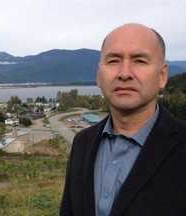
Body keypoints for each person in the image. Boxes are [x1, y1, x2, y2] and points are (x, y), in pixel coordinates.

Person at [60, 23, 186, 216]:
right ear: (99, 76)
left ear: (162, 75)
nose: (125, 73)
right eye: (113, 61)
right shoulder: (82, 143)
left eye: (140, 61)